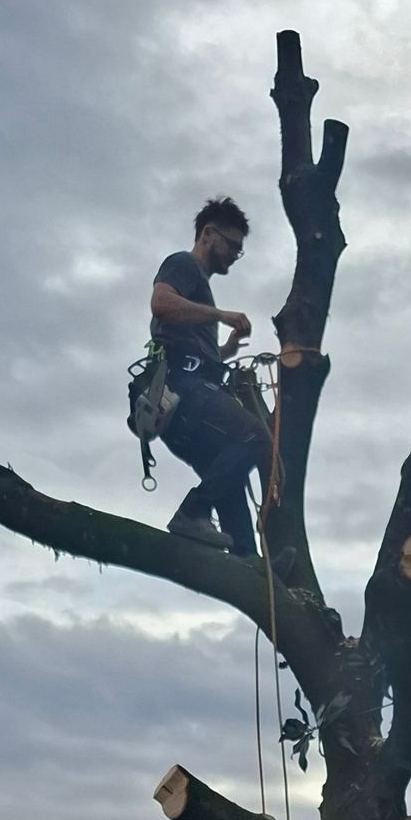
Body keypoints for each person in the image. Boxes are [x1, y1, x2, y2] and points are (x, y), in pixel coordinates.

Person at [149, 197, 272, 555]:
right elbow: (160, 303)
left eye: (239, 249)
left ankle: (248, 564)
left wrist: (227, 351)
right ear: (208, 234)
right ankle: (192, 512)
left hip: (184, 397)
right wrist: (220, 315)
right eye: (232, 244)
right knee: (255, 437)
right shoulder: (183, 264)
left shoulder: (197, 284)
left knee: (228, 479)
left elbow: (191, 349)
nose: (235, 254)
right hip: (184, 389)